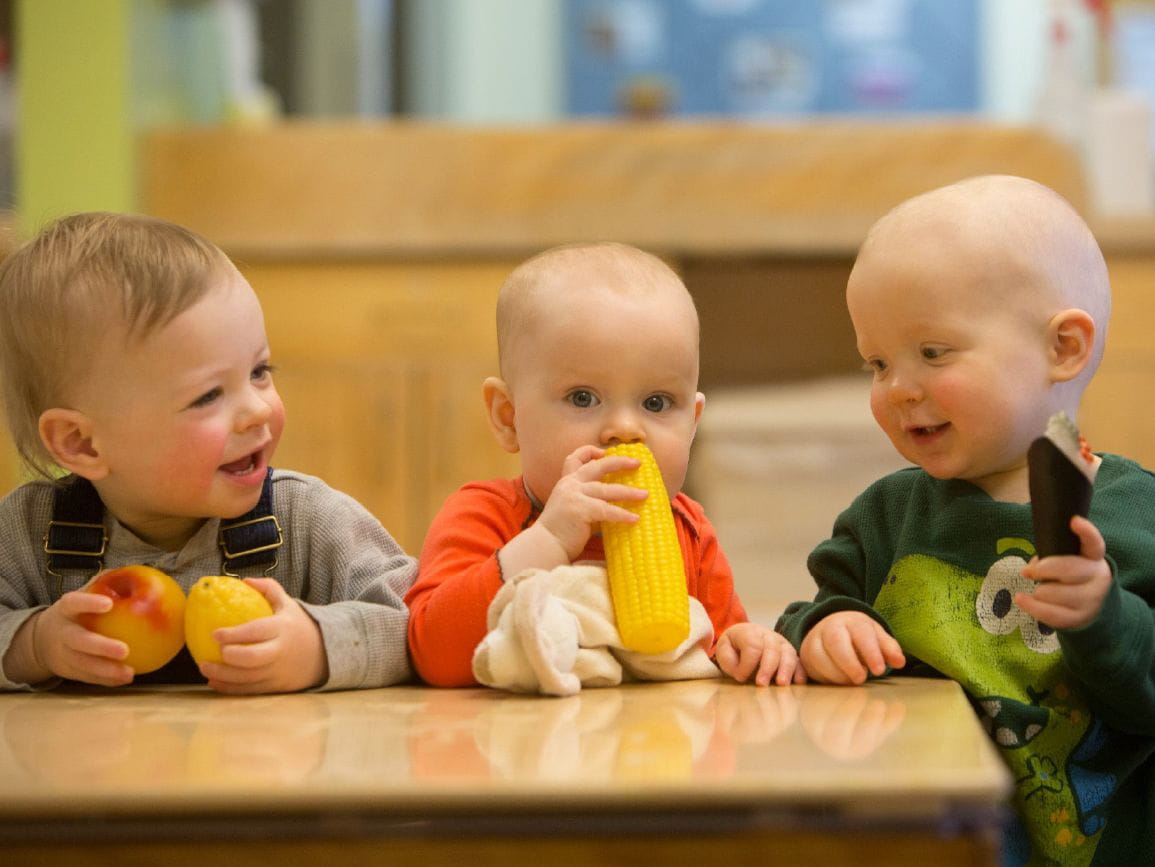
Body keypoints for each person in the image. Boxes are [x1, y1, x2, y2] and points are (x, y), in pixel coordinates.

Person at [776, 175, 1155, 865]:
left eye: (932, 352)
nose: (897, 388)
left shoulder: (1138, 520)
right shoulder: (883, 516)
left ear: (1062, 348)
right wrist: (824, 629)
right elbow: (806, 612)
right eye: (877, 362)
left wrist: (1104, 615)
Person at [0, 212, 416, 694]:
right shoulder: (28, 534)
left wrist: (319, 647)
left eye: (260, 371)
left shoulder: (307, 520)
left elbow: (414, 621)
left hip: (266, 762)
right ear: (82, 443)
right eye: (208, 396)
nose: (257, 410)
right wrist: (33, 645)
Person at [406, 241, 802, 688]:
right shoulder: (484, 515)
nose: (624, 429)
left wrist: (748, 646)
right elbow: (432, 656)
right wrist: (549, 538)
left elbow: (715, 647)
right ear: (508, 417)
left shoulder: (689, 533)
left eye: (656, 402)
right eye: (583, 398)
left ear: (692, 425)